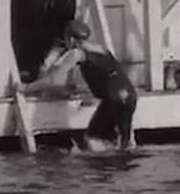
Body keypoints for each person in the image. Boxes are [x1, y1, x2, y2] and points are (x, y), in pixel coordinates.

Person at [24, 19, 138, 152]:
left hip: (112, 98)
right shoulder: (102, 49)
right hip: (130, 95)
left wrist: (26, 88)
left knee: (92, 138)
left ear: (71, 39)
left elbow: (53, 80)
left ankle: (101, 167)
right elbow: (108, 75)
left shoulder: (77, 53)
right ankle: (122, 166)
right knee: (125, 142)